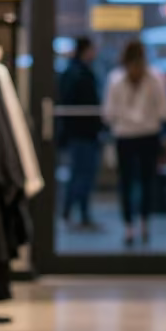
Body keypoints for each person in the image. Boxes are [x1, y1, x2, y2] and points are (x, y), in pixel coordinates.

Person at [102, 39, 166, 246]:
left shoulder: (152, 78)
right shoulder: (120, 79)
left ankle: (135, 224)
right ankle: (136, 224)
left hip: (137, 135)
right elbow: (165, 111)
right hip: (137, 135)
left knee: (136, 182)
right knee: (137, 181)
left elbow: (109, 113)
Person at [58, 36, 102, 228]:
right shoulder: (78, 73)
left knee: (80, 174)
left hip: (82, 133)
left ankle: (74, 213)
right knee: (82, 175)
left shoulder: (76, 71)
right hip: (82, 133)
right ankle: (74, 213)